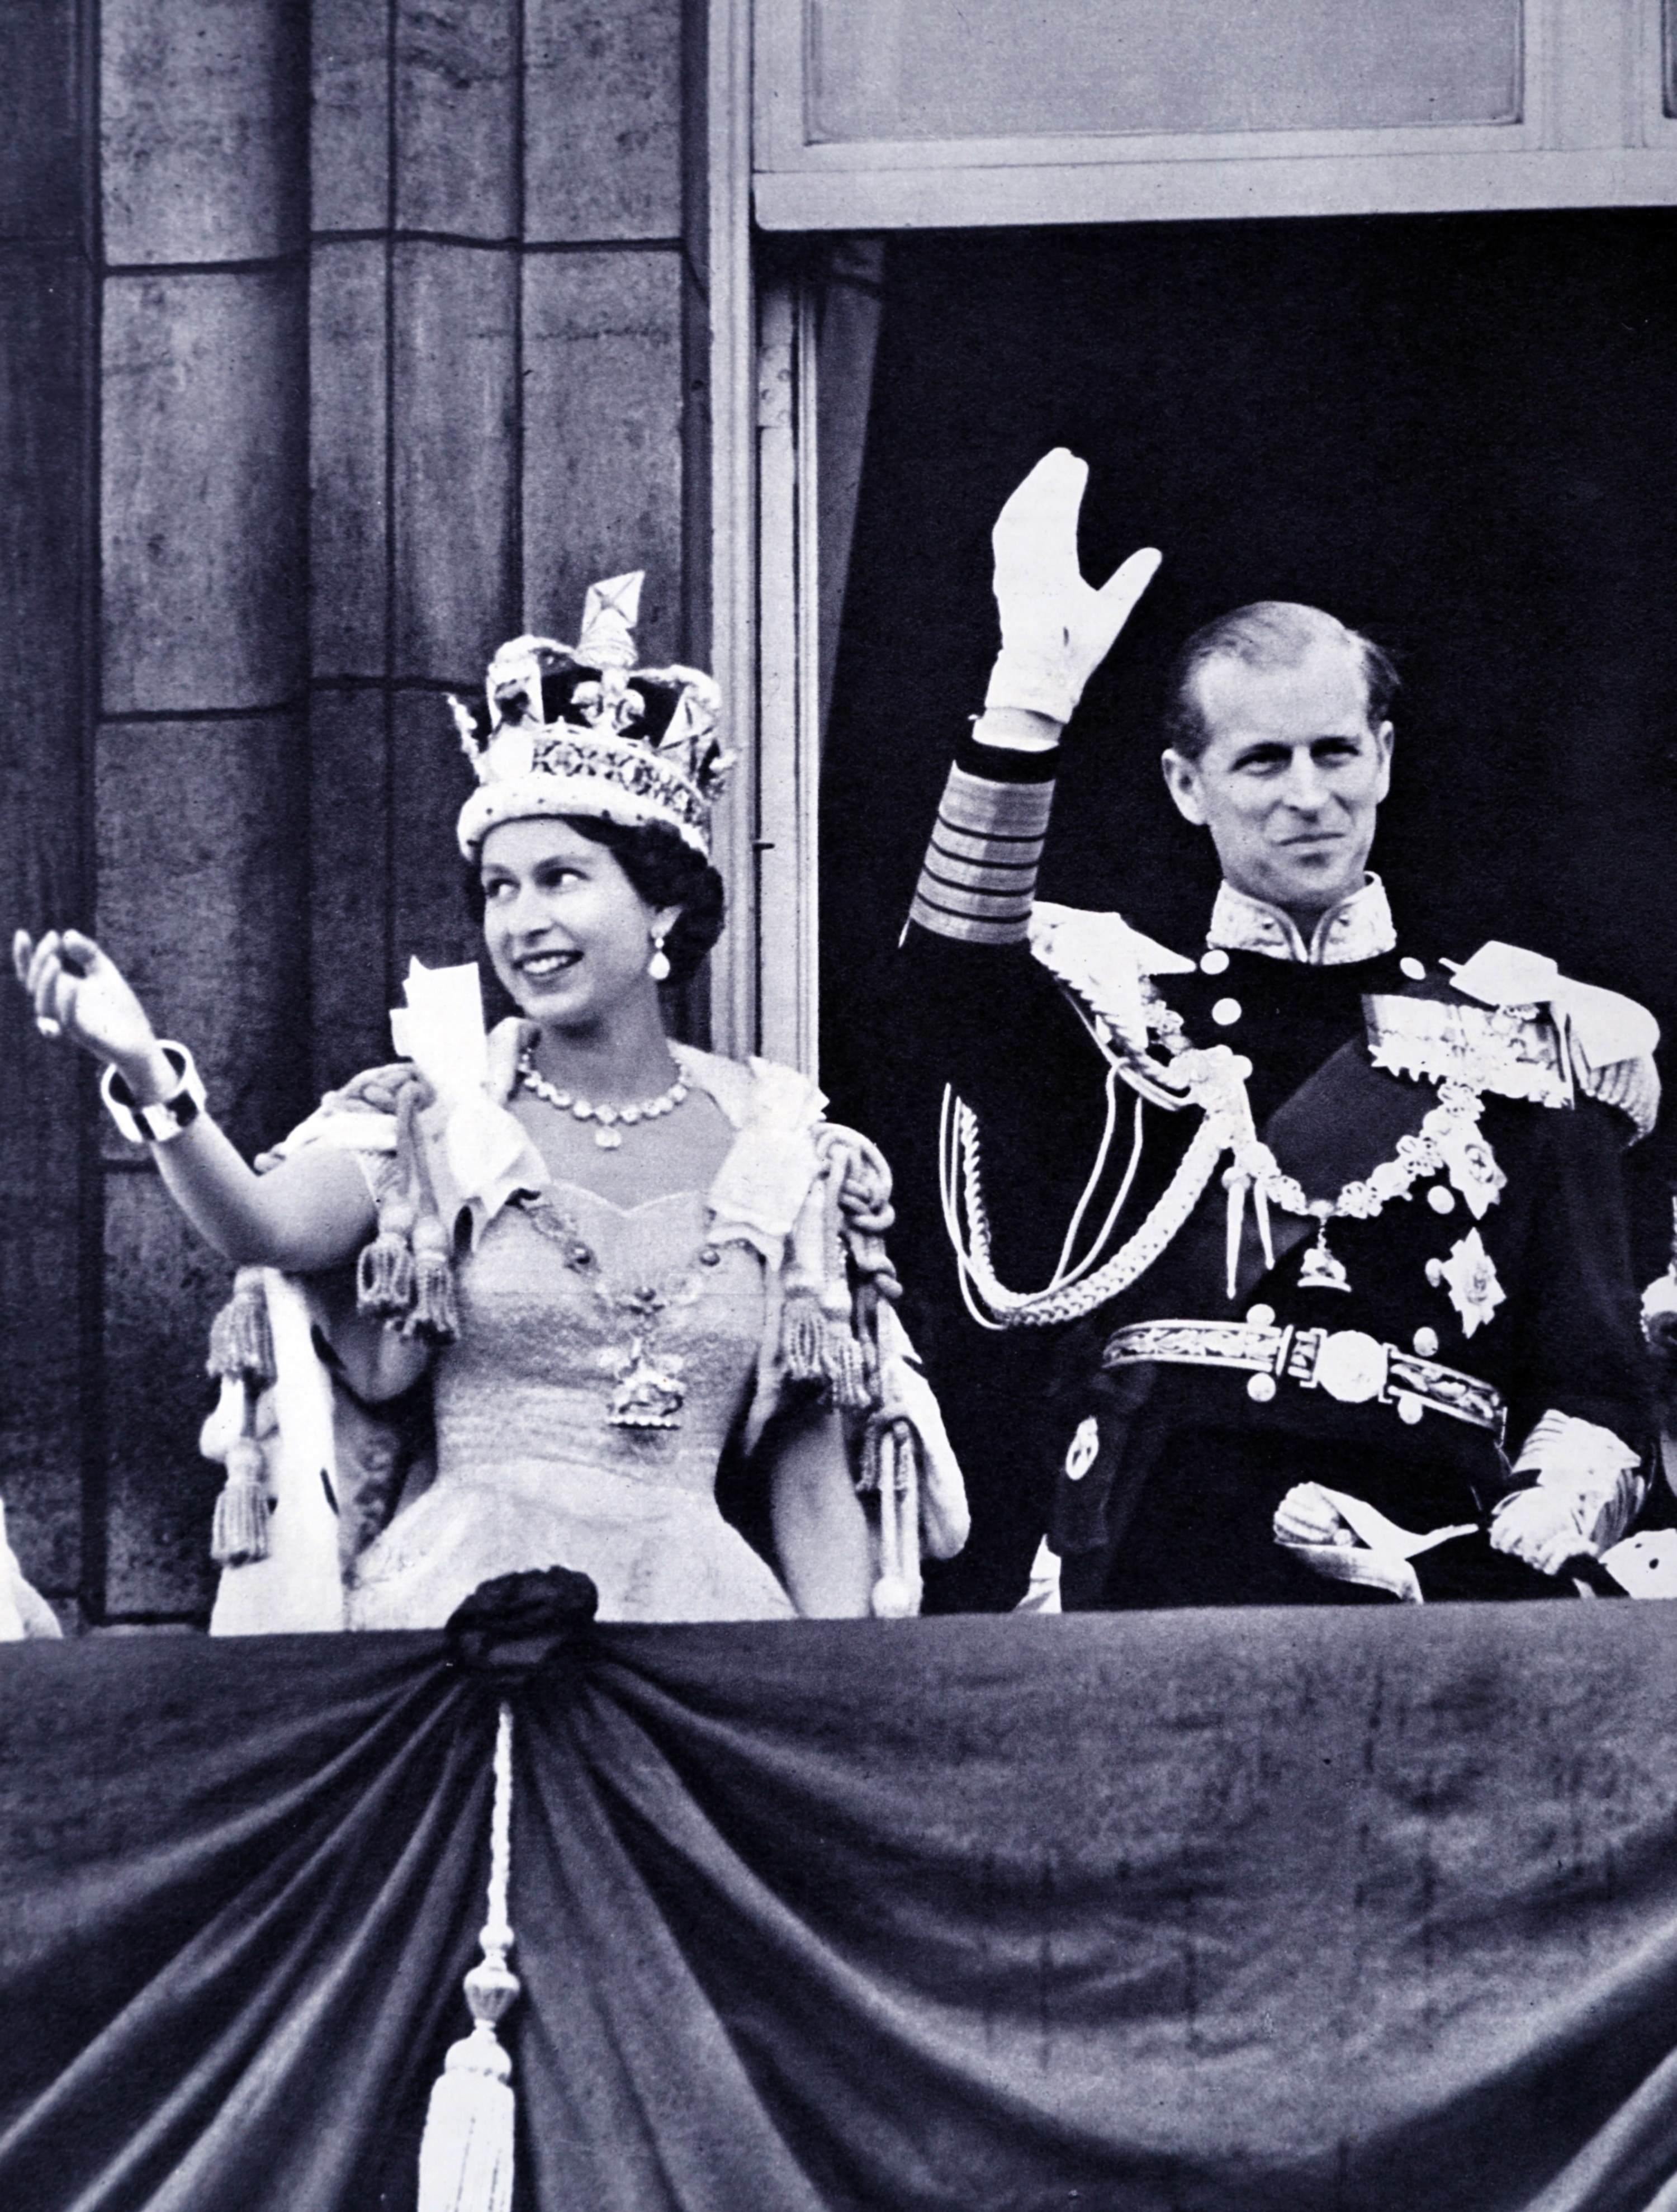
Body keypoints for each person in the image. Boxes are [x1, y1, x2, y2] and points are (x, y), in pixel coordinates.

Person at [16, 573, 965, 1632]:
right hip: (457, 1625)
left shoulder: (780, 1146)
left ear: (662, 904)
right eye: (500, 888)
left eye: (562, 877)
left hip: (700, 1636)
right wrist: (151, 1075)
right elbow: (262, 1223)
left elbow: (808, 1486)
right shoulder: (443, 1116)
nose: (522, 921)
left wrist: (840, 1708)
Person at [904, 450, 1659, 1609]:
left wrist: (1502, 1548)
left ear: (1385, 760)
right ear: (1183, 784)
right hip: (1159, 1545)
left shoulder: (1521, 1043)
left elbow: (1596, 1388)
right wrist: (1023, 709)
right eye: (1261, 761)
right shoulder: (1121, 1013)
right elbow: (943, 1002)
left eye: (1334, 751)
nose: (1307, 795)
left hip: (1432, 1571)